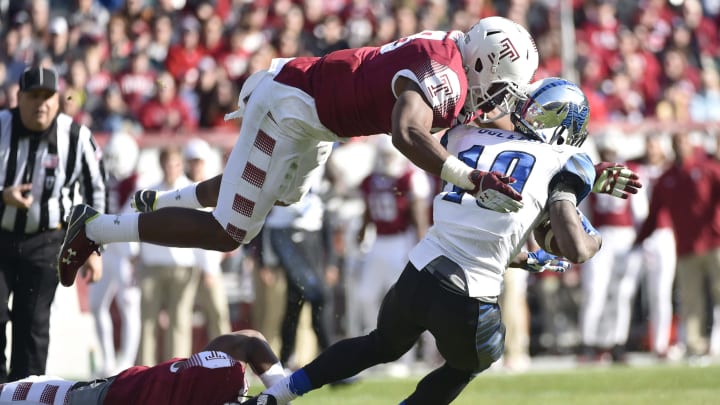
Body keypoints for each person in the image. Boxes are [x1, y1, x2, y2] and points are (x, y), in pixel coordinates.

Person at [56, 16, 540, 283]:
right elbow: (407, 131)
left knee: (271, 194)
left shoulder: (454, 51)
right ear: (483, 61)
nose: (497, 100)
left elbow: (463, 131)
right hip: (293, 107)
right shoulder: (447, 73)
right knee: (231, 232)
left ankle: (164, 201)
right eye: (500, 86)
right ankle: (96, 226)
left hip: (317, 120)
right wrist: (470, 180)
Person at [244, 78, 606, 405]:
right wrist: (593, 235)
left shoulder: (467, 135)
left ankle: (278, 394)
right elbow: (575, 248)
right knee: (471, 363)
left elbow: (482, 218)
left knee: (379, 344)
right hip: (470, 293)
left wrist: (518, 255)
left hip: (420, 270)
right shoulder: (566, 159)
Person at [0, 66, 106, 382]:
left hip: (46, 240)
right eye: (34, 96)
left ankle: (23, 394)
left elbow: (96, 189)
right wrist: (3, 195)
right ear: (19, 98)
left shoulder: (76, 137)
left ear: (59, 100)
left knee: (32, 324)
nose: (41, 104)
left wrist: (93, 247)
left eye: (48, 97)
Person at [0, 329, 288, 405]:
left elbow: (251, 342)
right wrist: (282, 391)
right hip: (98, 393)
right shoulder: (225, 374)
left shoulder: (224, 371)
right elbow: (252, 341)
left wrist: (281, 391)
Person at [634, 130, 720, 362]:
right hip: (685, 245)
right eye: (676, 142)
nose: (680, 146)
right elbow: (654, 215)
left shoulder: (708, 169)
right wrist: (638, 240)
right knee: (691, 300)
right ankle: (694, 346)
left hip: (714, 243)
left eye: (683, 141)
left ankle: (715, 345)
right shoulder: (667, 178)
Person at [88, 132, 141, 376]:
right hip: (104, 248)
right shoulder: (103, 177)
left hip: (124, 251)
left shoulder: (138, 183)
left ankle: (127, 362)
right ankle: (108, 361)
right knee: (96, 304)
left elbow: (130, 218)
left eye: (114, 155)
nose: (110, 160)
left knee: (129, 306)